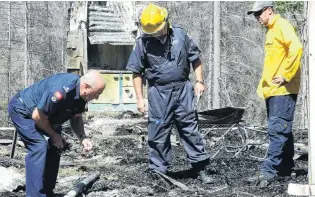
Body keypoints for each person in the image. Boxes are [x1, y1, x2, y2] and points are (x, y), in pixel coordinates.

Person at [126, 3, 213, 184]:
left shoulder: (181, 35)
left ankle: (200, 167)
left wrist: (199, 81)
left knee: (190, 129)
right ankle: (160, 173)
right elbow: (136, 72)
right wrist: (140, 99)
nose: (156, 34)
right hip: (158, 93)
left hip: (183, 90)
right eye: (152, 32)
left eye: (158, 29)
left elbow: (195, 59)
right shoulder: (142, 43)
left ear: (166, 21)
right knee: (158, 131)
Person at [8, 70, 105, 197]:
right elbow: (37, 116)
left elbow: (76, 117)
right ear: (86, 87)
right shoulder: (60, 91)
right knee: (39, 146)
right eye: (97, 93)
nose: (97, 97)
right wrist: (54, 135)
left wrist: (82, 137)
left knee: (55, 146)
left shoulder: (82, 95)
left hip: (46, 117)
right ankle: (34, 195)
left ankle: (47, 191)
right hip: (24, 111)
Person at [247, 1, 303, 186]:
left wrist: (286, 74)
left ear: (269, 10)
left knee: (277, 130)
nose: (257, 18)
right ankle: (285, 168)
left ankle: (268, 171)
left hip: (283, 90)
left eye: (258, 14)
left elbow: (296, 48)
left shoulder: (282, 25)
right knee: (283, 129)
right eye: (255, 15)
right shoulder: (271, 30)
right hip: (273, 90)